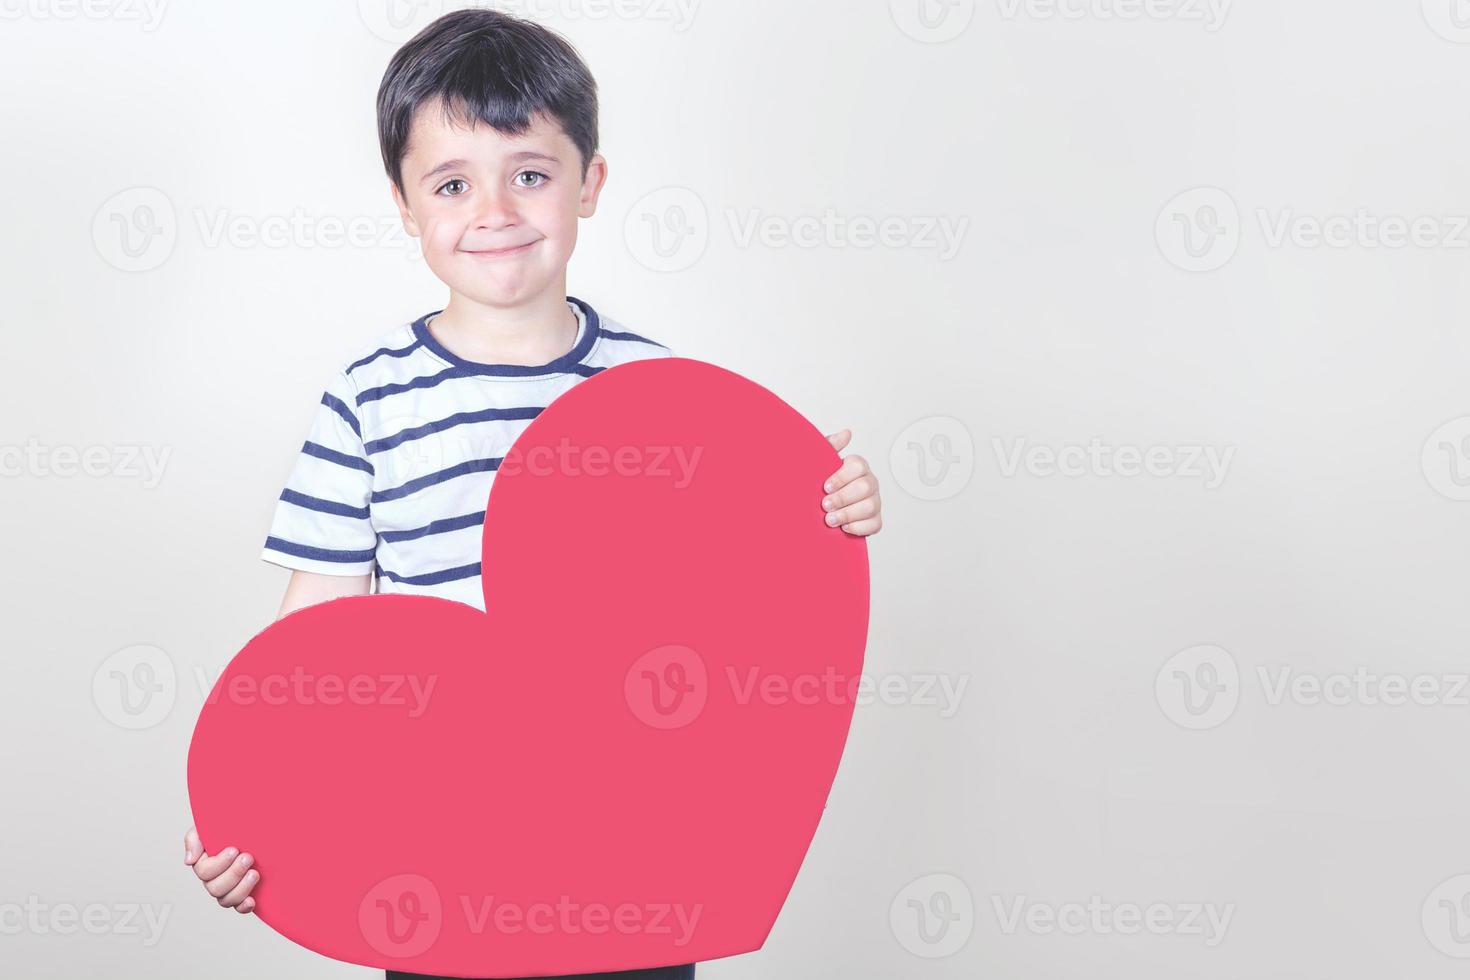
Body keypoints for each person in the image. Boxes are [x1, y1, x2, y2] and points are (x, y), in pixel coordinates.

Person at [181, 8, 884, 979]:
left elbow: (732, 599)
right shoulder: (368, 396)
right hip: (431, 840)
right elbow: (313, 650)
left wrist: (824, 508)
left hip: (634, 843)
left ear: (589, 184)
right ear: (404, 202)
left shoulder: (659, 391)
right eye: (453, 182)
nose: (495, 210)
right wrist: (249, 816)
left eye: (532, 174)